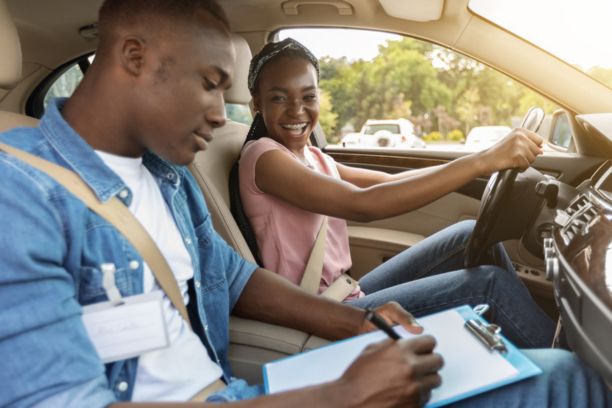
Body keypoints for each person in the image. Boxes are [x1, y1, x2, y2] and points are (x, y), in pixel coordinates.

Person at [0, 1, 609, 407]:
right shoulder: (19, 195)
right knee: (565, 379)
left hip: (239, 390)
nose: (222, 114)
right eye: (211, 84)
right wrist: (339, 395)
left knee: (551, 374)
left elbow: (235, 278)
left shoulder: (165, 174)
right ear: (134, 57)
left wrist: (363, 321)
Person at [238, 38, 554, 349]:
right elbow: (362, 205)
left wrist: (482, 160)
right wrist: (483, 160)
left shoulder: (313, 156)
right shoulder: (263, 157)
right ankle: (571, 372)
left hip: (347, 292)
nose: (297, 110)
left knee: (467, 235)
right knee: (488, 286)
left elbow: (385, 182)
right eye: (279, 98)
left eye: (308, 97)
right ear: (256, 104)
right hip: (320, 314)